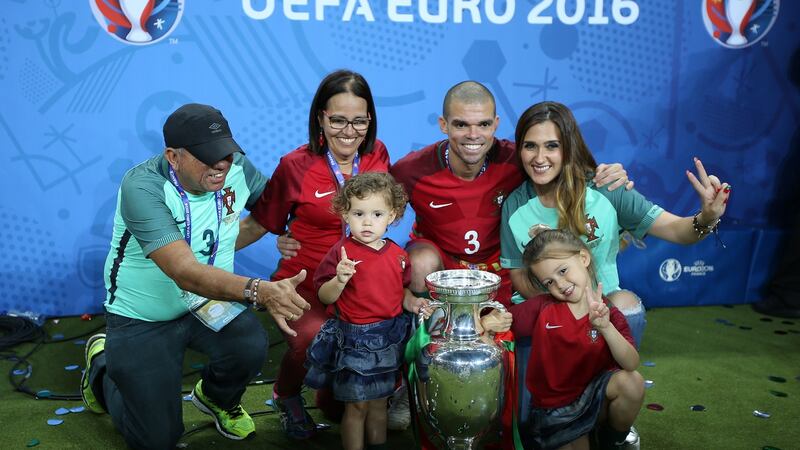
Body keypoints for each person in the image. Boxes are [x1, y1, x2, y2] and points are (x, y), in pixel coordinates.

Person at [385, 82, 631, 430]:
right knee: (420, 261)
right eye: (460, 125)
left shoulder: (517, 158)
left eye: (483, 124)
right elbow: (371, 208)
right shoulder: (411, 169)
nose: (473, 135)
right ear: (443, 125)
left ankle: (590, 394)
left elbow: (563, 166)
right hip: (443, 273)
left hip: (500, 273)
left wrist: (605, 176)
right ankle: (404, 381)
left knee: (516, 414)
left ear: (496, 124)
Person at [79, 103, 310, 450]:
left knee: (249, 344)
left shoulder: (236, 169)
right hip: (143, 315)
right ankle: (100, 366)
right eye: (207, 156)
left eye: (226, 153)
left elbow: (278, 208)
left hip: (204, 301)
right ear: (173, 157)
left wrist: (286, 225)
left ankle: (217, 398)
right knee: (157, 440)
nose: (221, 165)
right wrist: (258, 290)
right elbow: (184, 271)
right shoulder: (143, 187)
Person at [499, 101, 731, 347]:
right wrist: (569, 311)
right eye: (530, 146)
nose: (539, 157)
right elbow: (520, 277)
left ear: (568, 148)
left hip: (602, 308)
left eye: (552, 146)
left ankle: (608, 377)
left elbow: (677, 231)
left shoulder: (606, 188)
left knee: (625, 303)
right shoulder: (515, 205)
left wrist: (707, 217)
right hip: (545, 314)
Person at [236, 69, 389, 438]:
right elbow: (259, 224)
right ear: (320, 117)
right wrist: (192, 256)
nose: (349, 131)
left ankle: (329, 390)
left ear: (370, 121)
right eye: (338, 120)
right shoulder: (296, 165)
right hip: (304, 283)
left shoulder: (378, 155)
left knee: (338, 410)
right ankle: (285, 394)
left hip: (357, 285)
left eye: (359, 121)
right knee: (313, 339)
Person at [305, 172, 430, 450]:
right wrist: (339, 280)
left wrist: (414, 302)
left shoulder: (398, 254)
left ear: (393, 216)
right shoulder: (342, 253)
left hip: (389, 338)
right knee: (357, 408)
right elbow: (323, 294)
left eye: (376, 214)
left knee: (378, 405)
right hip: (355, 342)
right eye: (358, 213)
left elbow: (402, 290)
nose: (367, 221)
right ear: (344, 215)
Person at [509, 228, 644, 450]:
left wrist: (606, 327)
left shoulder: (607, 311)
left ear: (583, 258)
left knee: (632, 382)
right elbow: (505, 318)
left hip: (594, 401)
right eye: (549, 282)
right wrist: (490, 318)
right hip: (553, 412)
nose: (560, 285)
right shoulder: (542, 308)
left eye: (562, 271)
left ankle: (612, 441)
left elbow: (631, 364)